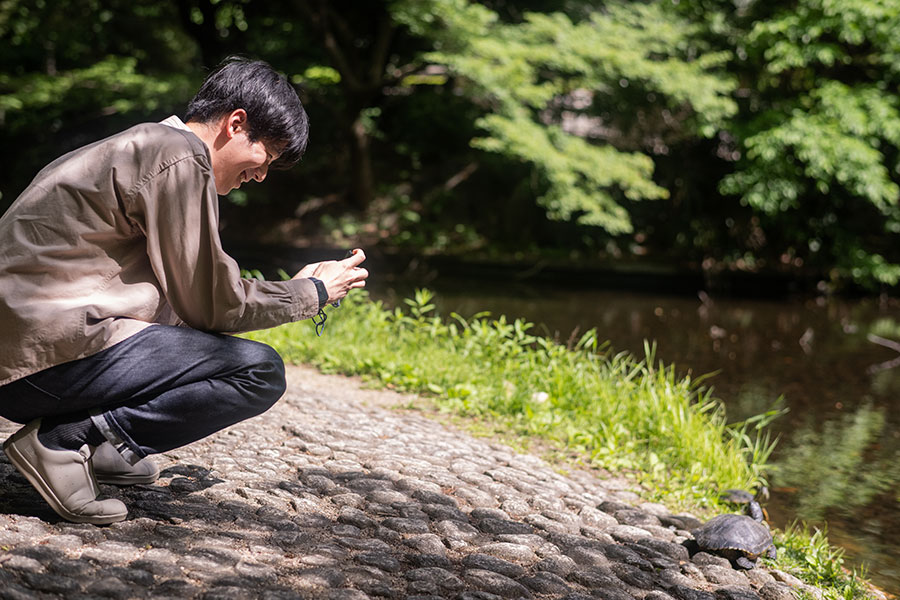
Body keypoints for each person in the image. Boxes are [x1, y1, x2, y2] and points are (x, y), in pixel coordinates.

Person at [0, 57, 368, 524]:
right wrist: (311, 292)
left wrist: (298, 286)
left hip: (26, 353)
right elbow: (212, 304)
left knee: (194, 343)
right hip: (41, 359)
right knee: (258, 371)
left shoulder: (139, 144)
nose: (261, 177)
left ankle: (108, 447)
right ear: (237, 124)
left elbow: (184, 299)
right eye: (267, 159)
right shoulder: (175, 154)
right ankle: (65, 441)